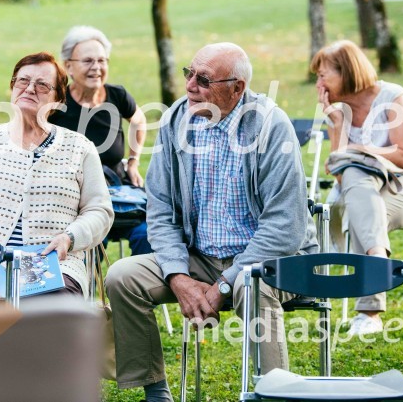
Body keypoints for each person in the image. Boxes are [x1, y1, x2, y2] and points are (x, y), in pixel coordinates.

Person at [106, 43, 318, 402]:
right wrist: (178, 276)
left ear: (237, 88)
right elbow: (160, 208)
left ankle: (276, 394)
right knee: (123, 277)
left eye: (203, 80)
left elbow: (285, 228)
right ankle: (155, 392)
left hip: (269, 260)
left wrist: (224, 285)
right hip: (200, 256)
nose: (190, 86)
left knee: (251, 286)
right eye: (189, 73)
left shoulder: (270, 126)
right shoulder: (176, 119)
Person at [0, 52, 113, 304]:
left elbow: (99, 210)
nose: (30, 89)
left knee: (55, 303)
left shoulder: (80, 148)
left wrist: (70, 237)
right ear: (12, 86)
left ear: (57, 99)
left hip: (52, 261)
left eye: (42, 85)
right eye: (23, 81)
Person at [311, 40, 403, 335]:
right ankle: (377, 263)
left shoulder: (393, 98)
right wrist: (338, 124)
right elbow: (341, 177)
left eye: (323, 75)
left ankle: (369, 312)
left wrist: (358, 149)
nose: (318, 84)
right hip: (374, 184)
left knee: (366, 210)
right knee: (357, 187)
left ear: (347, 72)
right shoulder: (339, 112)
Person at [49, 25, 151, 255]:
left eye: (102, 60)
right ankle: (87, 280)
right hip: (77, 200)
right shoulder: (57, 104)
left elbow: (139, 120)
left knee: (147, 233)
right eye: (88, 61)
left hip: (118, 194)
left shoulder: (117, 95)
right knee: (89, 241)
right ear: (68, 66)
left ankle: (139, 278)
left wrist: (133, 162)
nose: (96, 67)